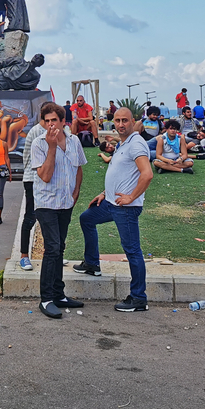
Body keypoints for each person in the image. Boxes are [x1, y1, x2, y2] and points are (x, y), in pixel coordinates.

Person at [73, 107, 152, 311]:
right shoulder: (122, 144)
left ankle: (138, 298)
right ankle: (92, 264)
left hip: (126, 207)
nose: (121, 124)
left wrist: (131, 197)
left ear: (133, 122)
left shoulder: (136, 144)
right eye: (117, 120)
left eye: (125, 120)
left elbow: (147, 174)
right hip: (111, 203)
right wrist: (104, 193)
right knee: (87, 219)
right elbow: (120, 173)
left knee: (132, 250)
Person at [30, 101, 87, 319]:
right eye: (47, 121)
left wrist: (76, 192)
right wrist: (52, 147)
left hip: (65, 203)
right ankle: (46, 298)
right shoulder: (39, 144)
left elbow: (78, 168)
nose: (51, 125)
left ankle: (58, 294)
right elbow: (45, 176)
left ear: (63, 122)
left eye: (54, 120)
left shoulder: (74, 141)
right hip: (46, 203)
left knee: (60, 248)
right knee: (52, 248)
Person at [17, 113, 48, 272]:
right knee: (30, 217)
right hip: (33, 179)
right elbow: (32, 159)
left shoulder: (51, 131)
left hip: (45, 180)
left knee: (48, 218)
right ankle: (24, 255)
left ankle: (51, 253)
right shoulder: (37, 132)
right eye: (49, 120)